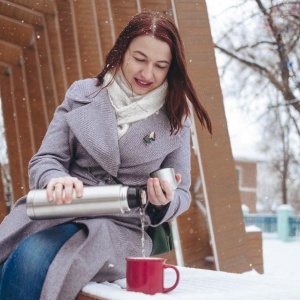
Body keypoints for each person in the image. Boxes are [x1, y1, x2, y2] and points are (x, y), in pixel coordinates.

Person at [0, 11, 212, 300]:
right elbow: (46, 158)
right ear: (122, 51)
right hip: (60, 208)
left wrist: (164, 201)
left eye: (160, 66)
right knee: (9, 256)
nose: (147, 74)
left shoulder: (175, 118)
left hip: (120, 226)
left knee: (31, 259)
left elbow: (182, 191)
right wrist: (56, 179)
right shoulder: (82, 94)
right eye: (140, 59)